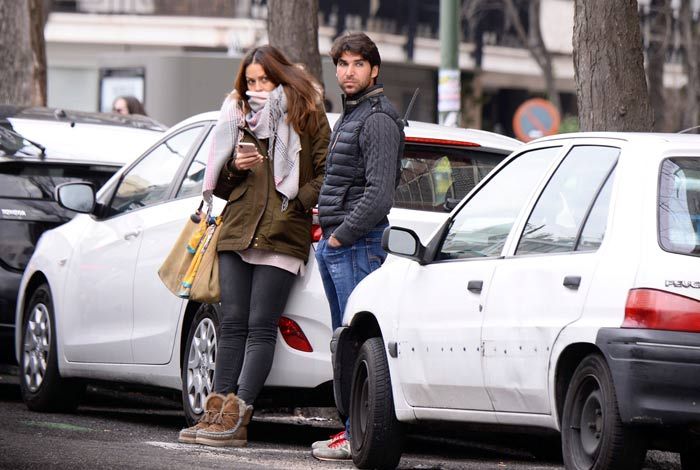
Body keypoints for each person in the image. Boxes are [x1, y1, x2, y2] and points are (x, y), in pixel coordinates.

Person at [177, 45, 330, 447]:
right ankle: (214, 414)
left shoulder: (306, 113)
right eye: (250, 81)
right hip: (238, 231)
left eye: (264, 79)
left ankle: (237, 417)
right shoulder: (237, 116)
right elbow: (223, 187)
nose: (257, 87)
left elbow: (326, 171)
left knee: (261, 328)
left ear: (280, 77)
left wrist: (295, 202)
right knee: (231, 325)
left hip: (282, 234)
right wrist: (233, 167)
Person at [311, 32, 405, 461]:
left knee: (357, 345)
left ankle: (357, 434)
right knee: (343, 345)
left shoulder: (378, 119)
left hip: (357, 246)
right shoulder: (352, 116)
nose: (348, 72)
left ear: (374, 69)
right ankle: (349, 429)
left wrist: (340, 235)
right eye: (342, 64)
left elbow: (378, 194)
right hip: (339, 245)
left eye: (357, 64)